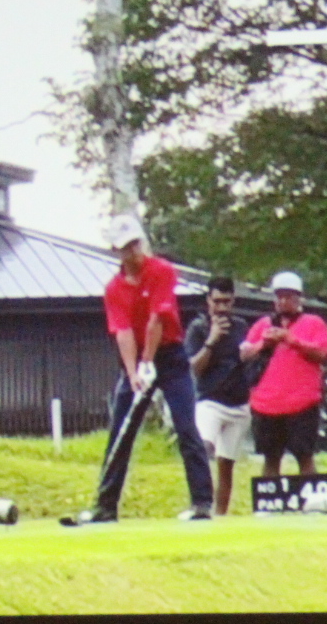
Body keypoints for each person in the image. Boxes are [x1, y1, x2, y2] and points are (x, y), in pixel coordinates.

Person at [65, 214, 216, 524]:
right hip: (135, 361)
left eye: (135, 244)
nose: (132, 252)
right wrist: (134, 373)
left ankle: (202, 503)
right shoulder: (114, 289)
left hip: (170, 357)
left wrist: (148, 362)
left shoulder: (161, 271)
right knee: (121, 431)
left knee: (186, 427)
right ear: (116, 250)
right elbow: (123, 332)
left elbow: (156, 320)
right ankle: (105, 506)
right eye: (125, 247)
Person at [242, 271, 327, 481]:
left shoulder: (314, 323)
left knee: (305, 456)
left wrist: (292, 340)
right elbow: (244, 354)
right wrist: (263, 344)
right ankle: (270, 497)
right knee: (270, 458)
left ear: (298, 298)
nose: (283, 302)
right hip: (266, 403)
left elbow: (323, 354)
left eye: (288, 297)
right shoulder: (263, 324)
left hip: (302, 402)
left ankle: (310, 494)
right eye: (279, 297)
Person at [187, 275, 253, 515]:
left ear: (233, 301)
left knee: (227, 464)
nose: (222, 308)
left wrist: (251, 355)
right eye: (217, 302)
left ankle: (220, 515)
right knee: (203, 448)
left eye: (227, 302)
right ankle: (200, 503)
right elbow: (194, 368)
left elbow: (249, 360)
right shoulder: (198, 328)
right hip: (210, 400)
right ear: (208, 301)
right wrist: (211, 341)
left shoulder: (241, 327)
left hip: (238, 403)